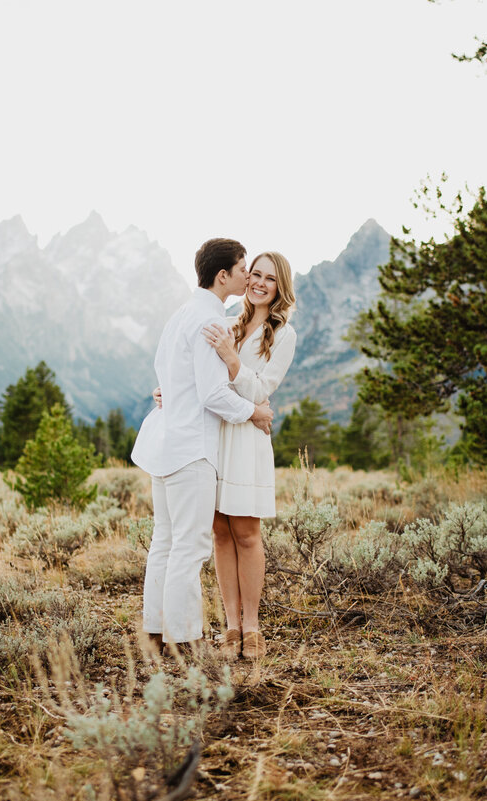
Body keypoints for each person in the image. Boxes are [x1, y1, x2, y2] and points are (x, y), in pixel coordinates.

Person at [131, 238, 275, 656]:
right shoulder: (210, 322)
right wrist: (253, 412)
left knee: (165, 541)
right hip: (192, 448)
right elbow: (213, 394)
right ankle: (186, 640)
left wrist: (168, 394)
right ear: (223, 276)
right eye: (244, 268)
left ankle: (155, 634)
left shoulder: (182, 314)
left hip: (165, 444)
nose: (249, 275)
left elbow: (169, 373)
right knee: (190, 546)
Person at [201, 252, 297, 659]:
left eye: (269, 279)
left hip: (247, 441)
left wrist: (232, 359)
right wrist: (168, 392)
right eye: (254, 274)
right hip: (216, 434)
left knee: (246, 532)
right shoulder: (227, 324)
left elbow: (262, 391)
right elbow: (203, 379)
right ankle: (231, 627)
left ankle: (253, 628)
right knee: (220, 532)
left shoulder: (283, 334)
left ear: (280, 287)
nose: (259, 283)